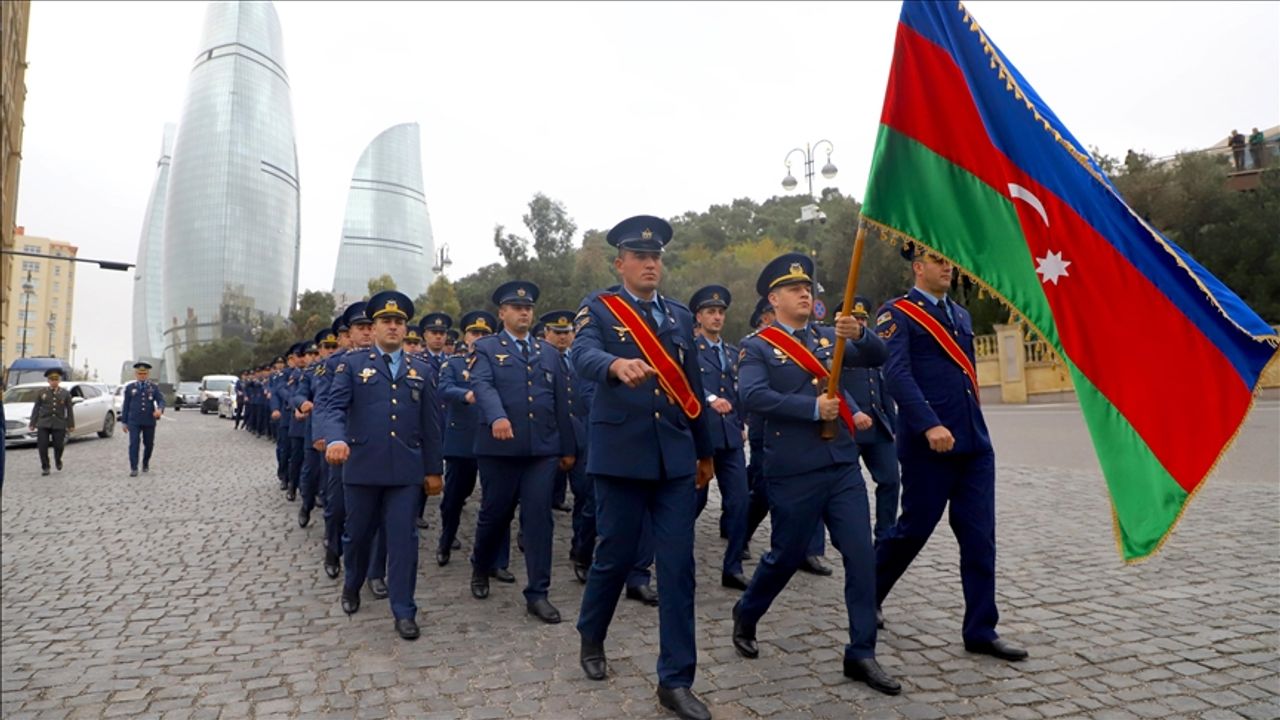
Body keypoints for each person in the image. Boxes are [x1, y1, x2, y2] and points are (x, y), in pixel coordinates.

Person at [731, 253, 898, 696]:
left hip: (841, 464)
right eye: (794, 289)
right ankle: (747, 611)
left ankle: (861, 652)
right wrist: (810, 408)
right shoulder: (758, 346)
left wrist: (859, 333)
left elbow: (879, 355)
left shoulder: (828, 337)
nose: (805, 294)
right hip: (794, 469)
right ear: (774, 299)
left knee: (860, 556)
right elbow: (751, 395)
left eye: (807, 288)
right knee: (785, 556)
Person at [572, 215, 714, 720]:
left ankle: (675, 680)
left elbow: (693, 387)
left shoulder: (678, 316)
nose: (650, 264)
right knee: (614, 554)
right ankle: (592, 633)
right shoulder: (599, 308)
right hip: (620, 455)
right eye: (640, 257)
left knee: (677, 567)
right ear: (621, 264)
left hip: (673, 458)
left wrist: (705, 452)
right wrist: (613, 365)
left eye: (656, 257)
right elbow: (581, 354)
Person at [874, 242, 1028, 663]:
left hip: (973, 443)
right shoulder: (896, 314)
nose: (948, 268)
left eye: (950, 261)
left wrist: (970, 427)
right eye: (939, 261)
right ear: (918, 267)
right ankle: (867, 594)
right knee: (913, 530)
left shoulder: (960, 315)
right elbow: (896, 375)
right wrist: (929, 423)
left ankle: (981, 628)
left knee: (980, 538)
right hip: (929, 445)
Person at [316, 291, 444, 641]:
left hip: (405, 471)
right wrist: (335, 439)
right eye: (386, 321)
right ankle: (352, 583)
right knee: (357, 535)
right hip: (362, 467)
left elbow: (431, 425)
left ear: (406, 329)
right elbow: (333, 408)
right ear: (373, 328)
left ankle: (404, 610)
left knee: (404, 541)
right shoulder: (351, 365)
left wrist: (434, 470)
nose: (393, 326)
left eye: (399, 322)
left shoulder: (421, 369)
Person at [467, 281, 576, 625]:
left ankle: (538, 593)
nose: (524, 312)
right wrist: (497, 416)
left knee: (539, 518)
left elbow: (560, 403)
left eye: (528, 308)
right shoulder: (486, 348)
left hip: (541, 450)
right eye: (516, 307)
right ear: (502, 313)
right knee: (495, 514)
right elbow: (482, 384)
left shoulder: (549, 353)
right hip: (499, 449)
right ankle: (481, 565)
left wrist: (567, 448)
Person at [743, 298, 831, 576]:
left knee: (816, 487)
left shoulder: (815, 339)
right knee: (763, 490)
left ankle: (811, 550)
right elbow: (753, 394)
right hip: (768, 429)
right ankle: (742, 533)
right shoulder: (758, 345)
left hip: (810, 429)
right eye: (766, 316)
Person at [435, 310, 514, 582]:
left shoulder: (502, 363)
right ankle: (446, 541)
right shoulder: (454, 364)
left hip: (494, 438)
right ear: (466, 336)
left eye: (484, 333)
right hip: (463, 440)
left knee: (499, 502)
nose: (478, 337)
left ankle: (498, 560)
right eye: (474, 333)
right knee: (454, 498)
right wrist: (465, 394)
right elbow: (443, 388)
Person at [688, 285, 750, 590]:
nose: (717, 317)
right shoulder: (690, 350)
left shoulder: (732, 352)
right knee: (693, 502)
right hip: (702, 436)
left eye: (721, 312)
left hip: (731, 437)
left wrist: (743, 422)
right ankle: (673, 554)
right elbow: (687, 386)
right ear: (699, 317)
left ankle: (733, 566)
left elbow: (739, 391)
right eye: (710, 312)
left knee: (740, 501)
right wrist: (711, 398)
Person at [540, 309, 598, 582]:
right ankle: (530, 533)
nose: (562, 337)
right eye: (557, 332)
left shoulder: (581, 359)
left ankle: (580, 548)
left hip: (581, 436)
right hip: (548, 437)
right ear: (546, 334)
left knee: (585, 495)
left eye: (567, 332)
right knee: (538, 495)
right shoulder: (537, 358)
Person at [838, 296, 901, 544]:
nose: (860, 323)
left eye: (863, 319)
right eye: (855, 318)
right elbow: (834, 385)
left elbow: (884, 391)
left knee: (890, 480)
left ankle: (884, 535)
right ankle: (853, 539)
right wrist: (853, 411)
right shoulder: (835, 347)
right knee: (845, 487)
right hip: (849, 427)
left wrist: (893, 427)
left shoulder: (873, 348)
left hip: (878, 426)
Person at [293, 329, 339, 528]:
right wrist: (303, 403)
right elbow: (299, 394)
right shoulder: (312, 371)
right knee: (312, 473)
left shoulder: (346, 366)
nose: (331, 350)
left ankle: (331, 526)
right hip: (316, 430)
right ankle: (306, 504)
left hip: (340, 430)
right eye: (327, 347)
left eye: (334, 346)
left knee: (331, 480)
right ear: (320, 349)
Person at [120, 361, 165, 477]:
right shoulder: (130, 388)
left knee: (149, 444)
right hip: (134, 421)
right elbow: (126, 405)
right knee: (134, 443)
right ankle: (134, 467)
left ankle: (145, 462)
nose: (142, 376)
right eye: (140, 374)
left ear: (148, 374)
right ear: (136, 374)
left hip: (149, 420)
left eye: (144, 374)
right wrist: (124, 422)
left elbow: (161, 400)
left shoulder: (153, 387)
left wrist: (160, 409)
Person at [29, 368, 75, 476]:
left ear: (59, 380)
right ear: (48, 381)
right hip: (44, 423)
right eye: (52, 380)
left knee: (59, 446)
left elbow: (69, 410)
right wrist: (33, 423)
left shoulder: (65, 394)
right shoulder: (42, 392)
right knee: (42, 446)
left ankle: (58, 459)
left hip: (59, 423)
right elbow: (36, 408)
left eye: (56, 379)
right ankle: (45, 466)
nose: (54, 382)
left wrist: (71, 424)